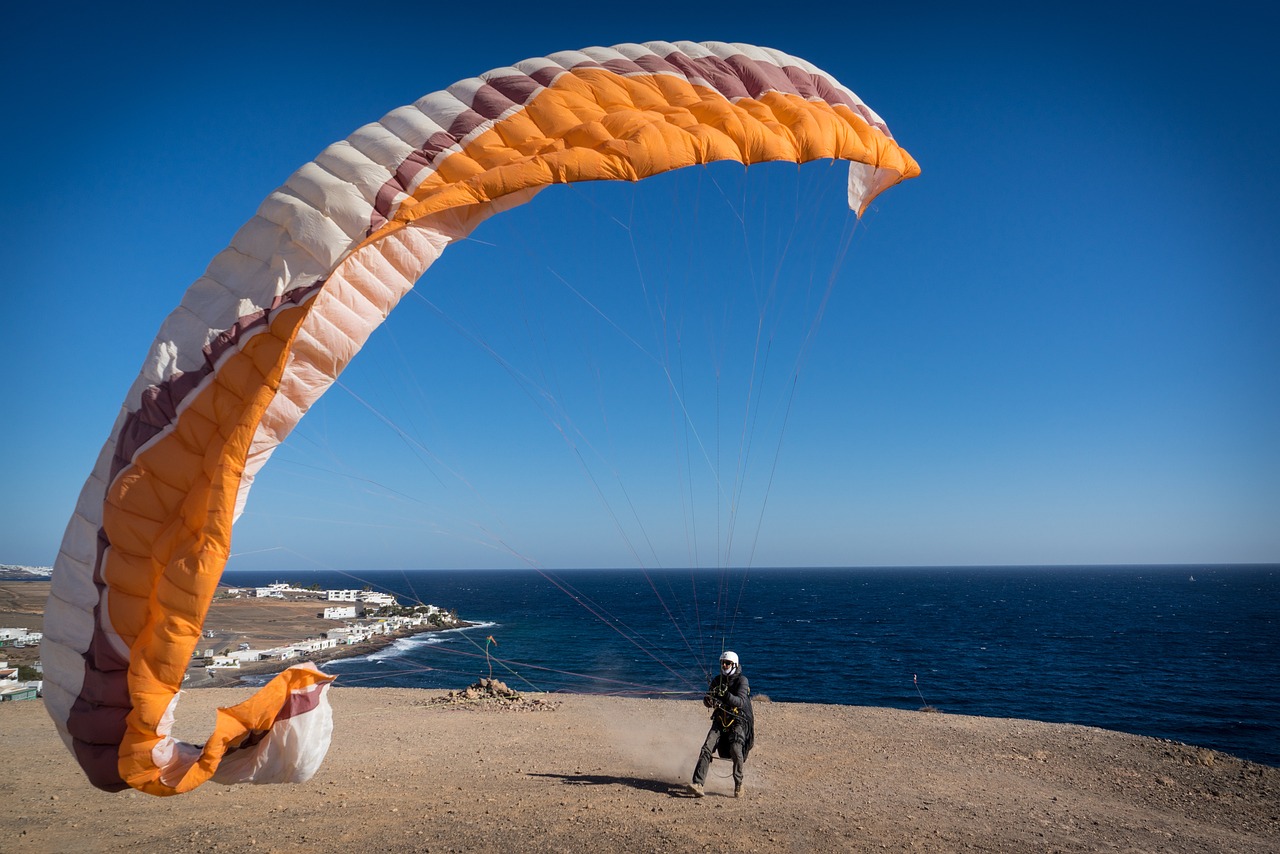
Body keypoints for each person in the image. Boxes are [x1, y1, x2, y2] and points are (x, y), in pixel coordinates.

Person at [687, 650, 754, 798]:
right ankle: (698, 783)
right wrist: (708, 701)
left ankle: (739, 785)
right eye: (722, 663)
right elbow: (708, 697)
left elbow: (741, 701)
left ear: (734, 664)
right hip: (720, 719)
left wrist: (726, 695)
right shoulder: (717, 681)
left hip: (738, 720)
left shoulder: (742, 681)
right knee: (706, 748)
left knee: (736, 749)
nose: (724, 665)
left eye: (727, 663)